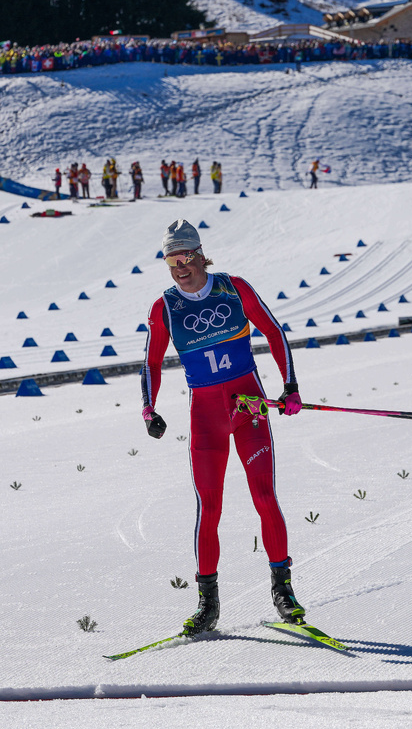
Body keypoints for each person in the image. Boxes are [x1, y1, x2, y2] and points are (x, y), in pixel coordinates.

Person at [141, 220, 305, 635]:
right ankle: (207, 603)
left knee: (264, 496)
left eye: (185, 255)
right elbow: (152, 362)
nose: (179, 265)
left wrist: (289, 386)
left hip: (248, 405)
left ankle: (283, 590)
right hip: (205, 416)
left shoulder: (234, 288)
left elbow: (273, 331)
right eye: (170, 258)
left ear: (200, 253)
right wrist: (149, 408)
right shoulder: (164, 308)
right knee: (209, 508)